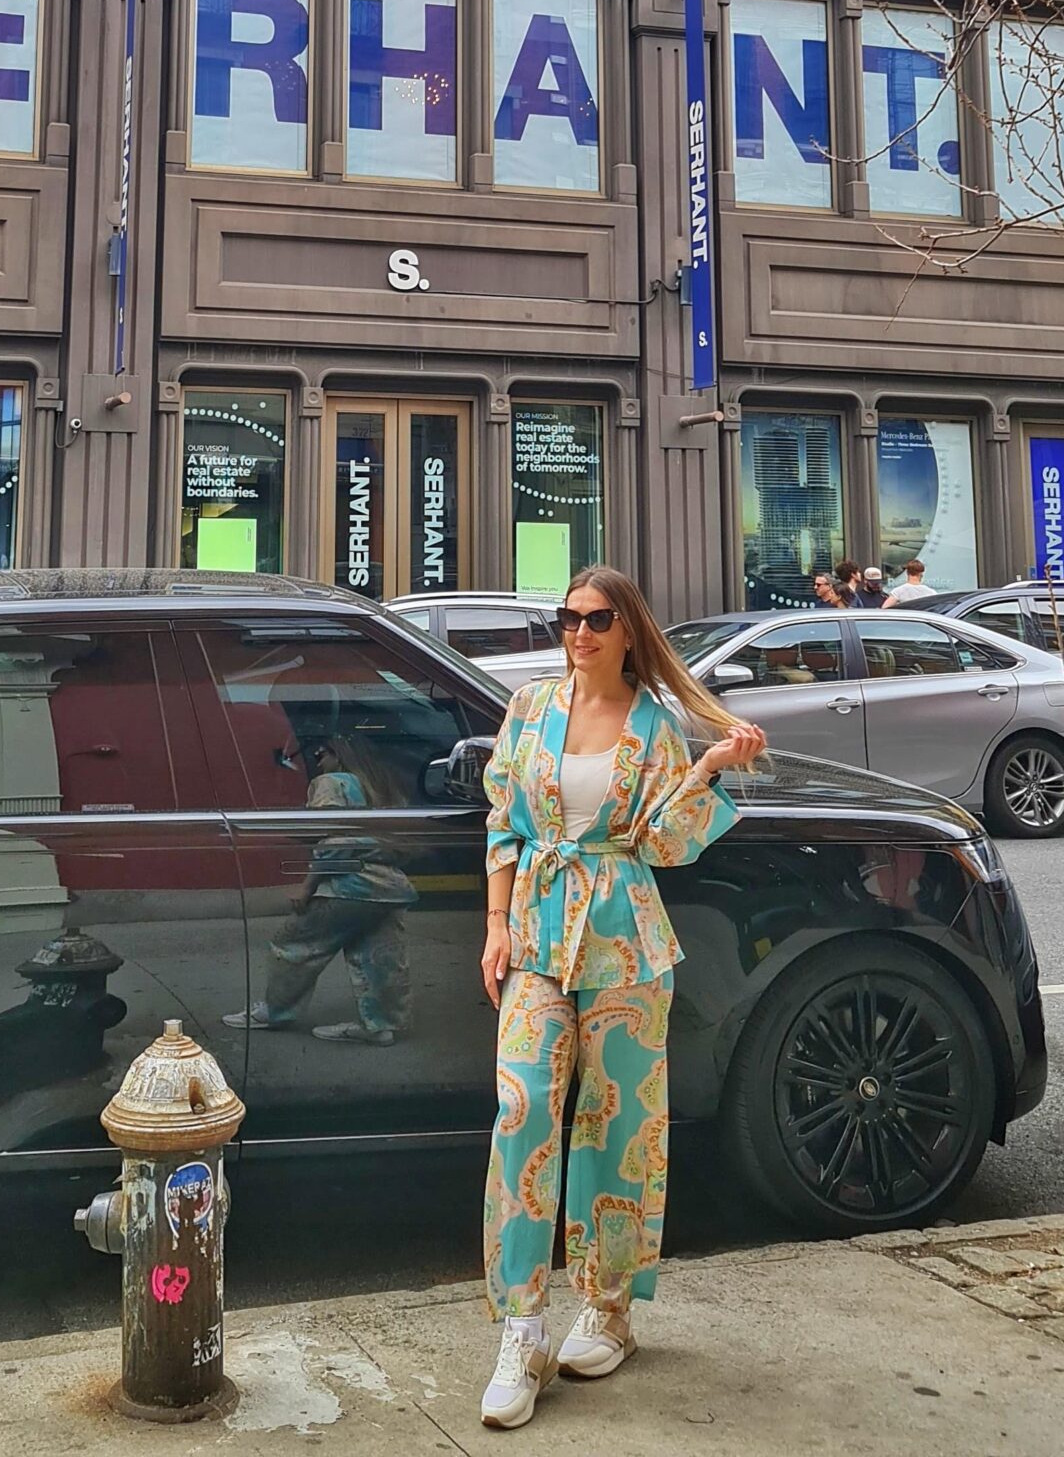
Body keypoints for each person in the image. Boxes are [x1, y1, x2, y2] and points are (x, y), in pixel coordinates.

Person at [478, 565, 766, 1430]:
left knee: (617, 1125)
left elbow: (666, 845)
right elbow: (501, 818)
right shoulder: (528, 708)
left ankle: (607, 1308)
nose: (579, 632)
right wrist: (494, 922)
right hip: (534, 936)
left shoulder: (655, 724)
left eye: (597, 618)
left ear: (628, 628)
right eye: (567, 617)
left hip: (626, 944)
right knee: (523, 1105)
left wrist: (711, 765)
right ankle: (521, 1328)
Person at [224, 733, 415, 1046]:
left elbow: (333, 838)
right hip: (390, 887)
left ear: (338, 755)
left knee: (293, 946)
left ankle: (275, 1011)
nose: (316, 763)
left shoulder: (332, 782)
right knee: (377, 957)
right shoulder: (382, 788)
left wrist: (308, 885)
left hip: (347, 885)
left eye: (320, 755)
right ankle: (380, 1026)